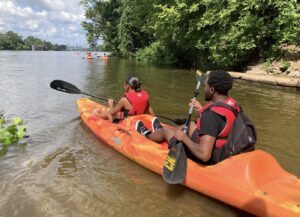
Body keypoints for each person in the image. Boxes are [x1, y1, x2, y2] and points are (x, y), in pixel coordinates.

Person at [135, 70, 241, 165]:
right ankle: (160, 132)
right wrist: (201, 110)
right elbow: (221, 123)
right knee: (190, 124)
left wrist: (184, 138)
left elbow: (204, 155)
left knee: (166, 131)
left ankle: (147, 135)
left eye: (205, 86)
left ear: (212, 89)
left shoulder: (211, 115)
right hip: (224, 149)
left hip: (212, 158)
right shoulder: (233, 105)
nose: (204, 88)